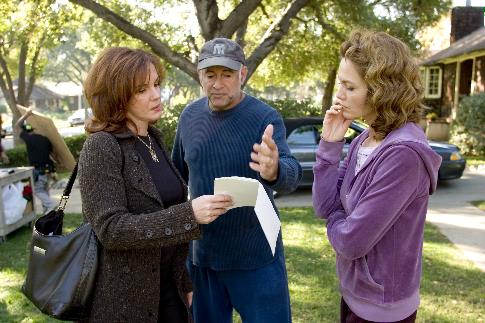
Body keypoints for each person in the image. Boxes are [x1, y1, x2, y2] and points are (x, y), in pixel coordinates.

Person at [78, 47, 233, 322]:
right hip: (125, 302)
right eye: (141, 89)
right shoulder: (101, 146)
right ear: (116, 94)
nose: (156, 94)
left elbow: (168, 207)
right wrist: (190, 215)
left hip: (169, 290)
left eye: (156, 84)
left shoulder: (153, 138)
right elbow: (111, 230)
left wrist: (184, 282)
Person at [312, 30, 442, 323]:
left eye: (350, 87)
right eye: (340, 85)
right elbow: (323, 205)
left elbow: (351, 242)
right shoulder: (365, 139)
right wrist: (330, 145)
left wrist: (337, 220)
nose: (339, 96)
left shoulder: (404, 154)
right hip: (354, 293)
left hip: (383, 308)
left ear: (381, 90)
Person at [172, 38, 302, 323]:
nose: (217, 84)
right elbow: (175, 178)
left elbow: (292, 173)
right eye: (210, 75)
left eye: (226, 75)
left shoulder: (264, 117)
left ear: (242, 75)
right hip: (204, 256)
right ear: (200, 76)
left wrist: (274, 170)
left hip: (256, 256)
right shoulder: (190, 117)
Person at [14, 109, 57, 213]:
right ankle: (48, 211)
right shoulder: (45, 139)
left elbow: (16, 126)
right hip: (48, 169)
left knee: (38, 190)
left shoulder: (28, 139)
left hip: (39, 169)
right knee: (45, 189)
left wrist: (26, 115)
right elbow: (52, 154)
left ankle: (51, 204)